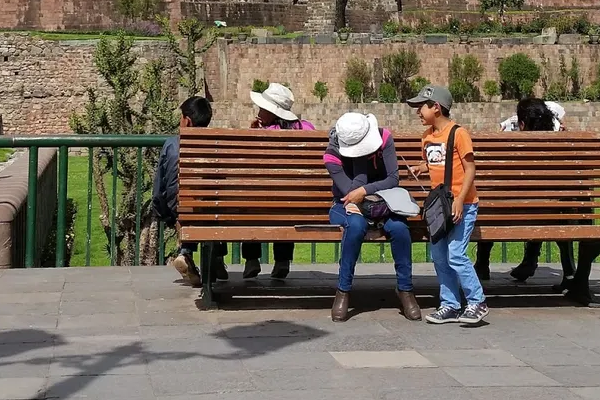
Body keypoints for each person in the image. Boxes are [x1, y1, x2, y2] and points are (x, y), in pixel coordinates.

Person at [325, 111, 420, 322]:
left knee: (399, 229)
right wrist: (359, 164)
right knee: (356, 226)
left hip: (384, 204)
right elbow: (350, 190)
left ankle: (405, 289)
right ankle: (343, 290)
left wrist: (364, 193)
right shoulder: (331, 155)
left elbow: (393, 178)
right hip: (346, 205)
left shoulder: (384, 138)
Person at [411, 85, 486, 326]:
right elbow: (435, 163)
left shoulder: (459, 134)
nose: (418, 112)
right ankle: (450, 304)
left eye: (421, 107)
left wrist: (460, 199)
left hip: (461, 204)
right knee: (439, 256)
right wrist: (420, 169)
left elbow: (470, 169)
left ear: (436, 107)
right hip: (439, 206)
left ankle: (477, 301)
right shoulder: (427, 137)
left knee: (456, 254)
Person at [478, 99, 573, 285]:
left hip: (501, 213)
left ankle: (482, 263)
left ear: (521, 124)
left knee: (490, 203)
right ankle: (549, 265)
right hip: (548, 214)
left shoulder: (508, 149)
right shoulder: (560, 148)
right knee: (545, 206)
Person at [241, 83, 315, 279]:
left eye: (262, 108)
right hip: (299, 200)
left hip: (260, 202)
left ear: (272, 112)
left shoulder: (262, 133)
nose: (258, 111)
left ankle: (251, 259)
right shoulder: (306, 128)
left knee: (250, 201)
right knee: (285, 203)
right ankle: (282, 260)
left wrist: (252, 134)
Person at [156, 96, 226, 287]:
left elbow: (159, 191)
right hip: (216, 208)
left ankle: (186, 252)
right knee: (213, 206)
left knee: (189, 208)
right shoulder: (218, 144)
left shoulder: (172, 144)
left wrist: (166, 215)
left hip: (180, 207)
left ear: (187, 120)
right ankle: (217, 258)